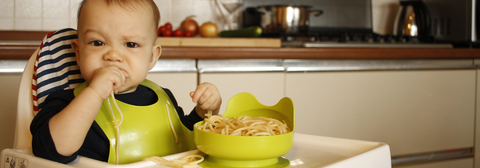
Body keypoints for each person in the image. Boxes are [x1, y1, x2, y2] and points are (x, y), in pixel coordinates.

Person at [30, 0, 222, 164]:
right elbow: (49, 151)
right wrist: (95, 93)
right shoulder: (67, 103)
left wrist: (206, 111)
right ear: (79, 54)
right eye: (97, 43)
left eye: (131, 44)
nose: (113, 55)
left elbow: (185, 138)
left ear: (152, 57)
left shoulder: (164, 98)